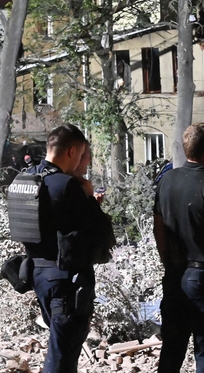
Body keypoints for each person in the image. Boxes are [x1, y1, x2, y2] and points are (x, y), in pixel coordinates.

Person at [19, 124, 114, 373]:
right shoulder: (68, 185)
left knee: (59, 345)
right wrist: (90, 199)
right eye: (82, 156)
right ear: (72, 151)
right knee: (63, 356)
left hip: (37, 273)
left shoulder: (26, 178)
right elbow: (101, 233)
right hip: (65, 281)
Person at [154, 123, 204, 373]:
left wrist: (168, 261)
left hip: (175, 276)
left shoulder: (166, 180)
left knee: (171, 352)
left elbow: (158, 230)